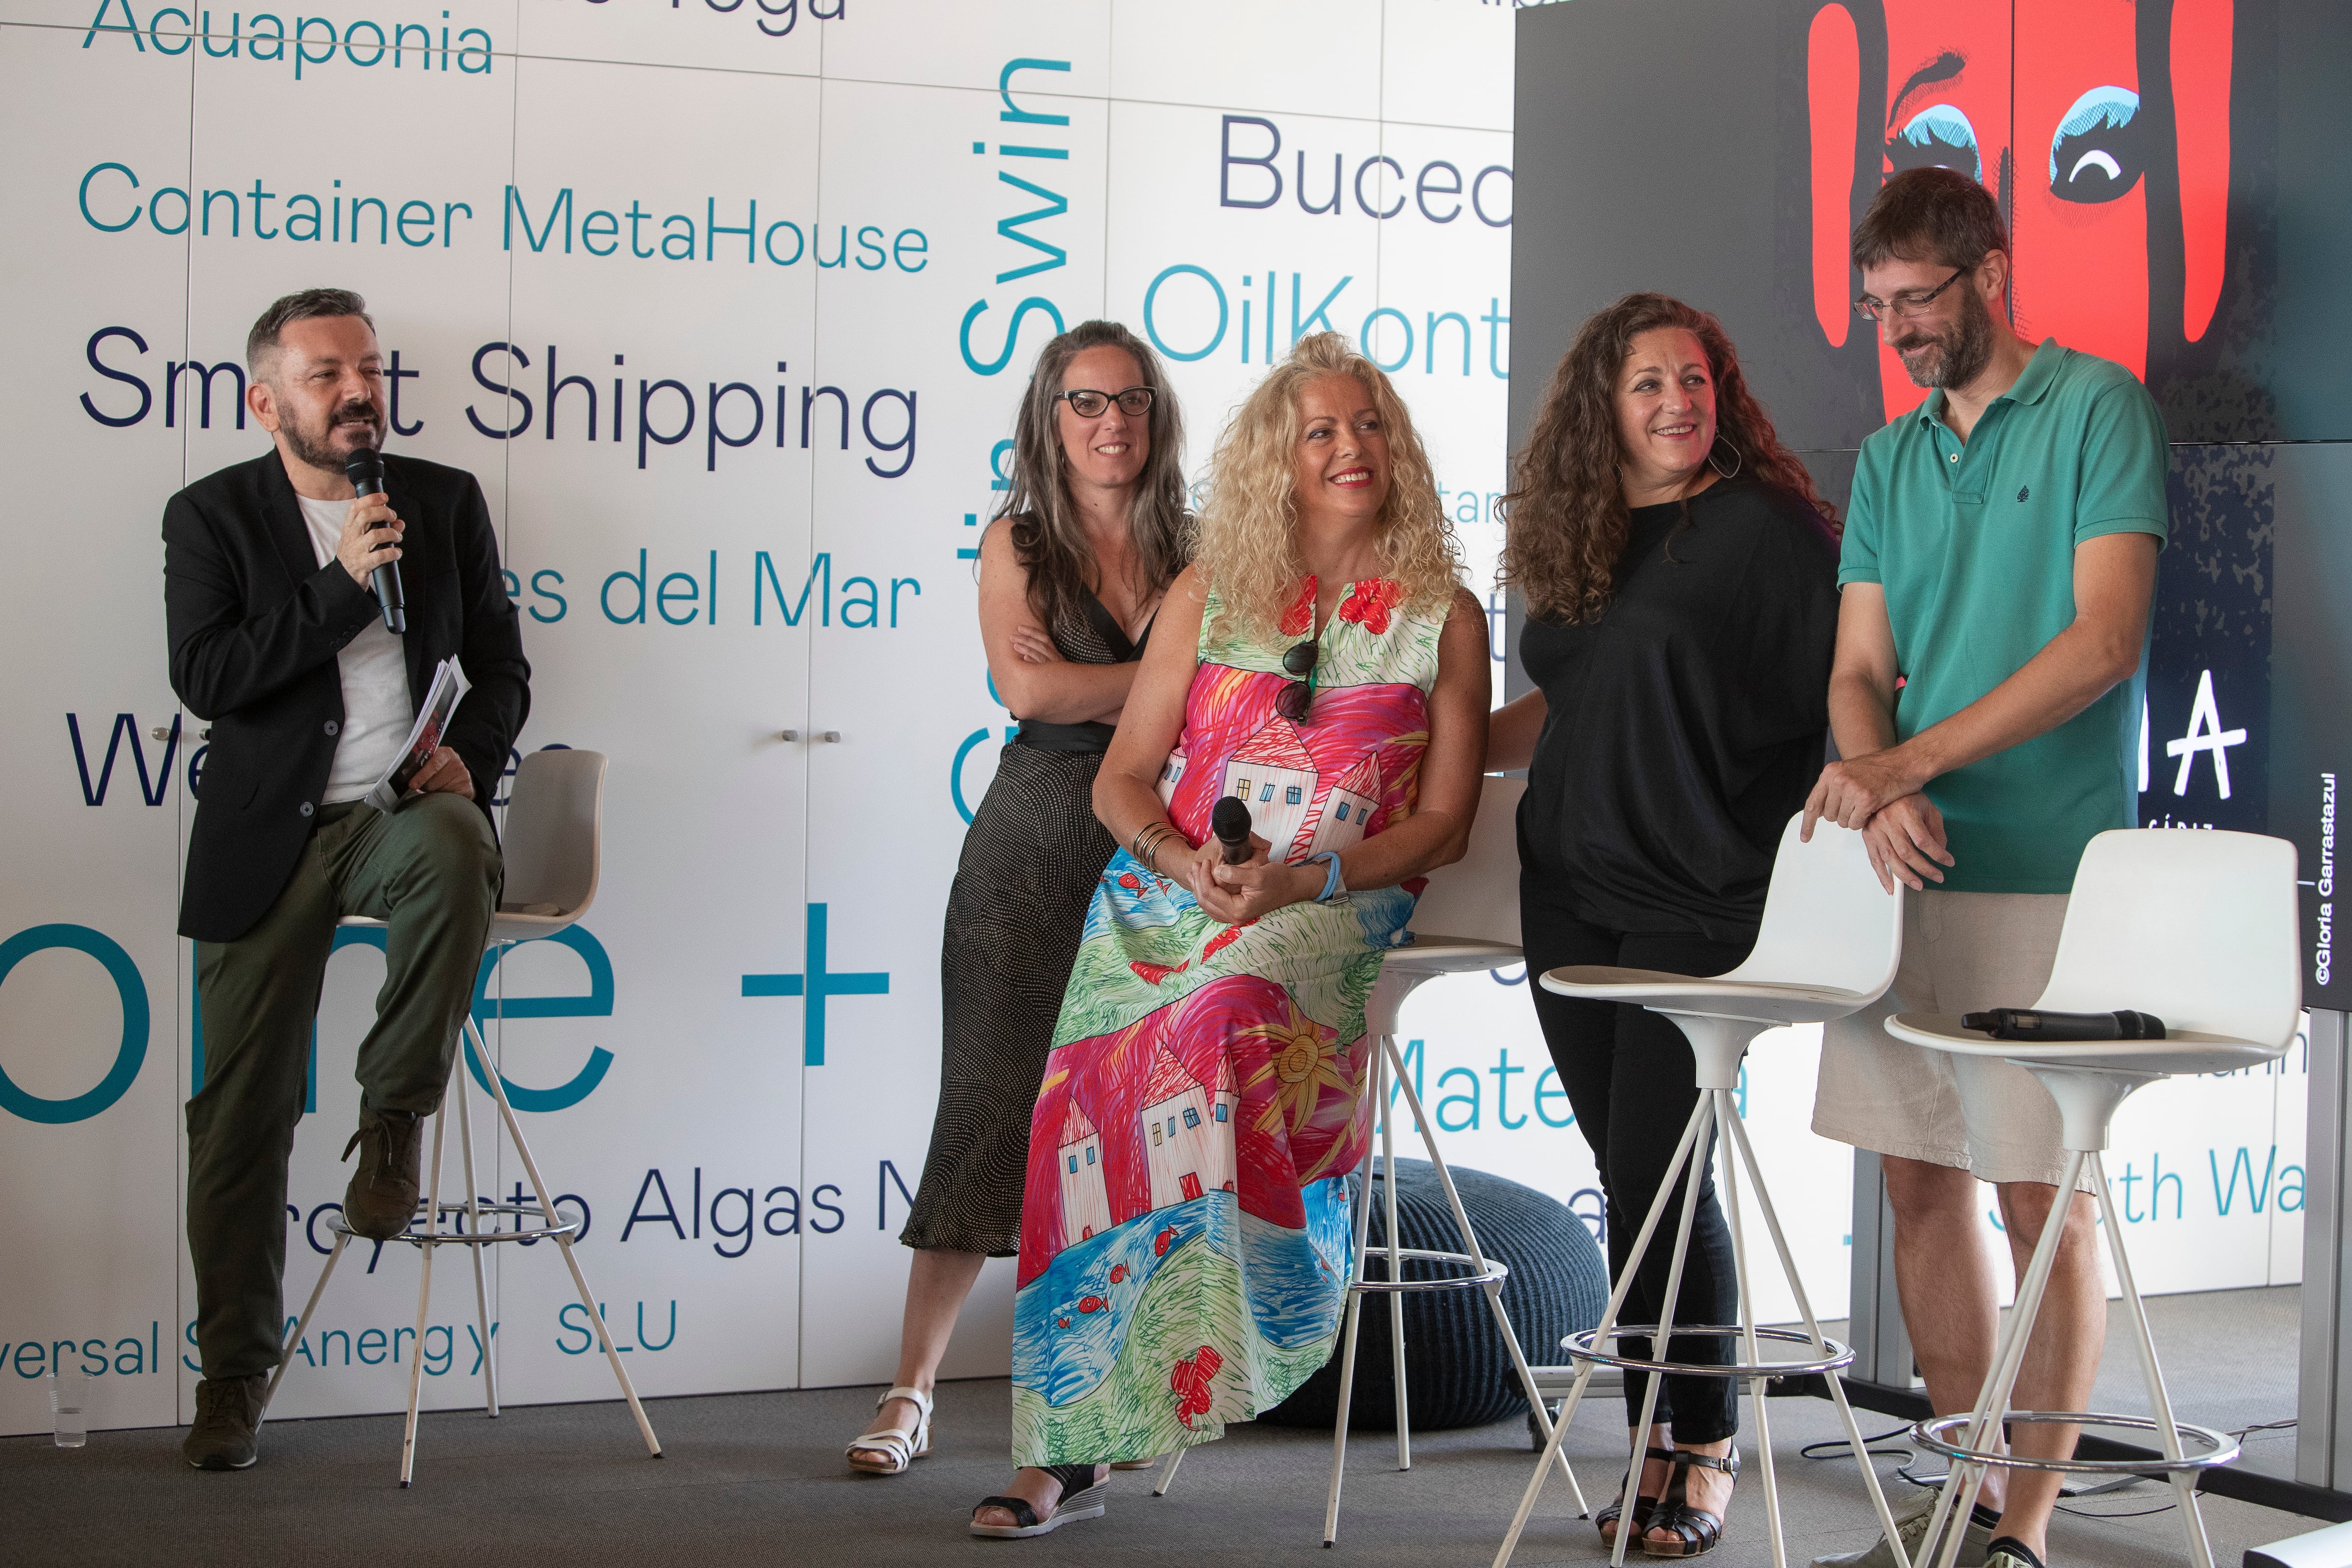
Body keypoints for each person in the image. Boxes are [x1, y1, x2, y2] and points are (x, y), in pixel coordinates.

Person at [967, 332, 1489, 1538]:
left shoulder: (1443, 613)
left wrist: (1303, 879)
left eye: (1369, 426)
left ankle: (1239, 1322)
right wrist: (1179, 860)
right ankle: (1066, 1446)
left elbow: (1447, 823)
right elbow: (1126, 778)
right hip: (1171, 889)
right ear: (1276, 458)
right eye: (1321, 431)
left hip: (1333, 903)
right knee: (1081, 1082)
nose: (1350, 447)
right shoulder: (1209, 593)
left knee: (1219, 1013)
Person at [1804, 167, 2169, 1568]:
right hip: (1905, 871)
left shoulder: (2098, 409)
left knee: (2042, 1194)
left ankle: (2021, 1523)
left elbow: (2103, 643)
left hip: (2046, 874)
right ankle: (1957, 1493)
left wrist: (1905, 763)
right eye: (1878, 306)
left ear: (1991, 274)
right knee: (1914, 1184)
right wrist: (1882, 776)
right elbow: (1854, 672)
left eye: (1917, 301)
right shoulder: (1892, 457)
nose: (1897, 330)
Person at [1488, 294, 1842, 1559]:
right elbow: (1577, 688)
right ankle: (1654, 1440)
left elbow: (1848, 682)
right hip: (1570, 885)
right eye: (1648, 384)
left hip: (1698, 892)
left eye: (1695, 379)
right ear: (1606, 405)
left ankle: (1700, 1438)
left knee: (1658, 1173)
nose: (1678, 402)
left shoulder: (1765, 529)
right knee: (1631, 1176)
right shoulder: (1585, 535)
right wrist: (1451, 751)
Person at [165, 288, 529, 1471]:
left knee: (460, 846)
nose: (359, 390)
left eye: (367, 368)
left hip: (397, 815)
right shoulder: (210, 515)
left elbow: (503, 664)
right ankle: (232, 1376)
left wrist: (467, 760)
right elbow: (208, 674)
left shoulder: (440, 500)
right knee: (239, 1116)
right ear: (267, 399)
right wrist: (336, 588)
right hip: (268, 838)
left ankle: (393, 1123)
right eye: (327, 374)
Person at [846, 322, 1190, 1475]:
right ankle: (911, 1390)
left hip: (1163, 852)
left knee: (1136, 1127)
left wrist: (1118, 691)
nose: (1112, 423)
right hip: (1033, 846)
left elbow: (1214, 697)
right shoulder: (1018, 540)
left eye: (1131, 400)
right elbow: (1030, 687)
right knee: (988, 1107)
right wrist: (1166, 680)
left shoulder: (1199, 545)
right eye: (1087, 403)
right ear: (1051, 418)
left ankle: (1116, 1391)